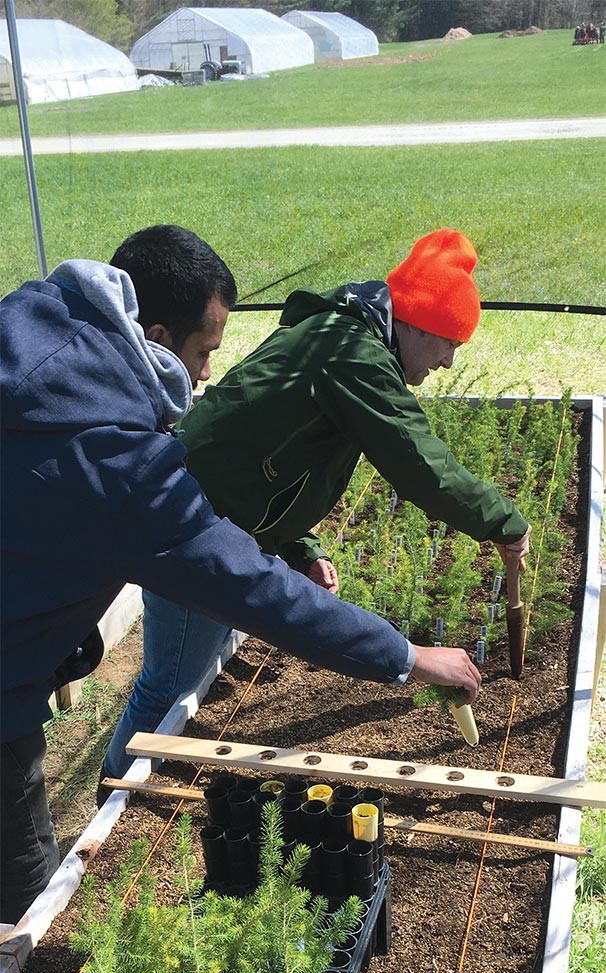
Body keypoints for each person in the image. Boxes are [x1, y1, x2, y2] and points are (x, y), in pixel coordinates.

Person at [0, 225, 481, 927]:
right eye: (202, 355)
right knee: (31, 919)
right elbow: (248, 586)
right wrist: (406, 656)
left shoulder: (25, 326)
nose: (203, 377)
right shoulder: (121, 465)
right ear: (156, 335)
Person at [103, 227, 530, 783]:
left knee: (181, 672)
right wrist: (502, 521)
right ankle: (115, 789)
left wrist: (296, 545)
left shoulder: (338, 339)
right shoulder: (352, 354)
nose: (448, 362)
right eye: (449, 342)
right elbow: (420, 465)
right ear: (418, 325)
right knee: (169, 683)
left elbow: (263, 454)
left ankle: (125, 777)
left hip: (215, 515)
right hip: (192, 524)